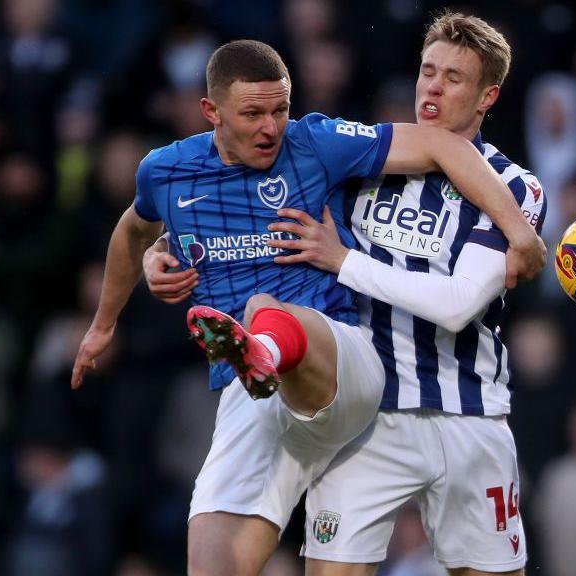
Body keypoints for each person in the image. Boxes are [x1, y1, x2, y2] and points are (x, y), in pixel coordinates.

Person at [73, 39, 545, 576]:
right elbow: (141, 227)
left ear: (489, 95)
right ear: (212, 112)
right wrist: (160, 255)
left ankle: (264, 344)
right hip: (366, 423)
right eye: (427, 71)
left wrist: (516, 234)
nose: (433, 87)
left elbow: (459, 303)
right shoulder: (350, 172)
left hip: (456, 409)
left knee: (264, 308)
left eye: (453, 78)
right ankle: (261, 349)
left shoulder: (505, 185)